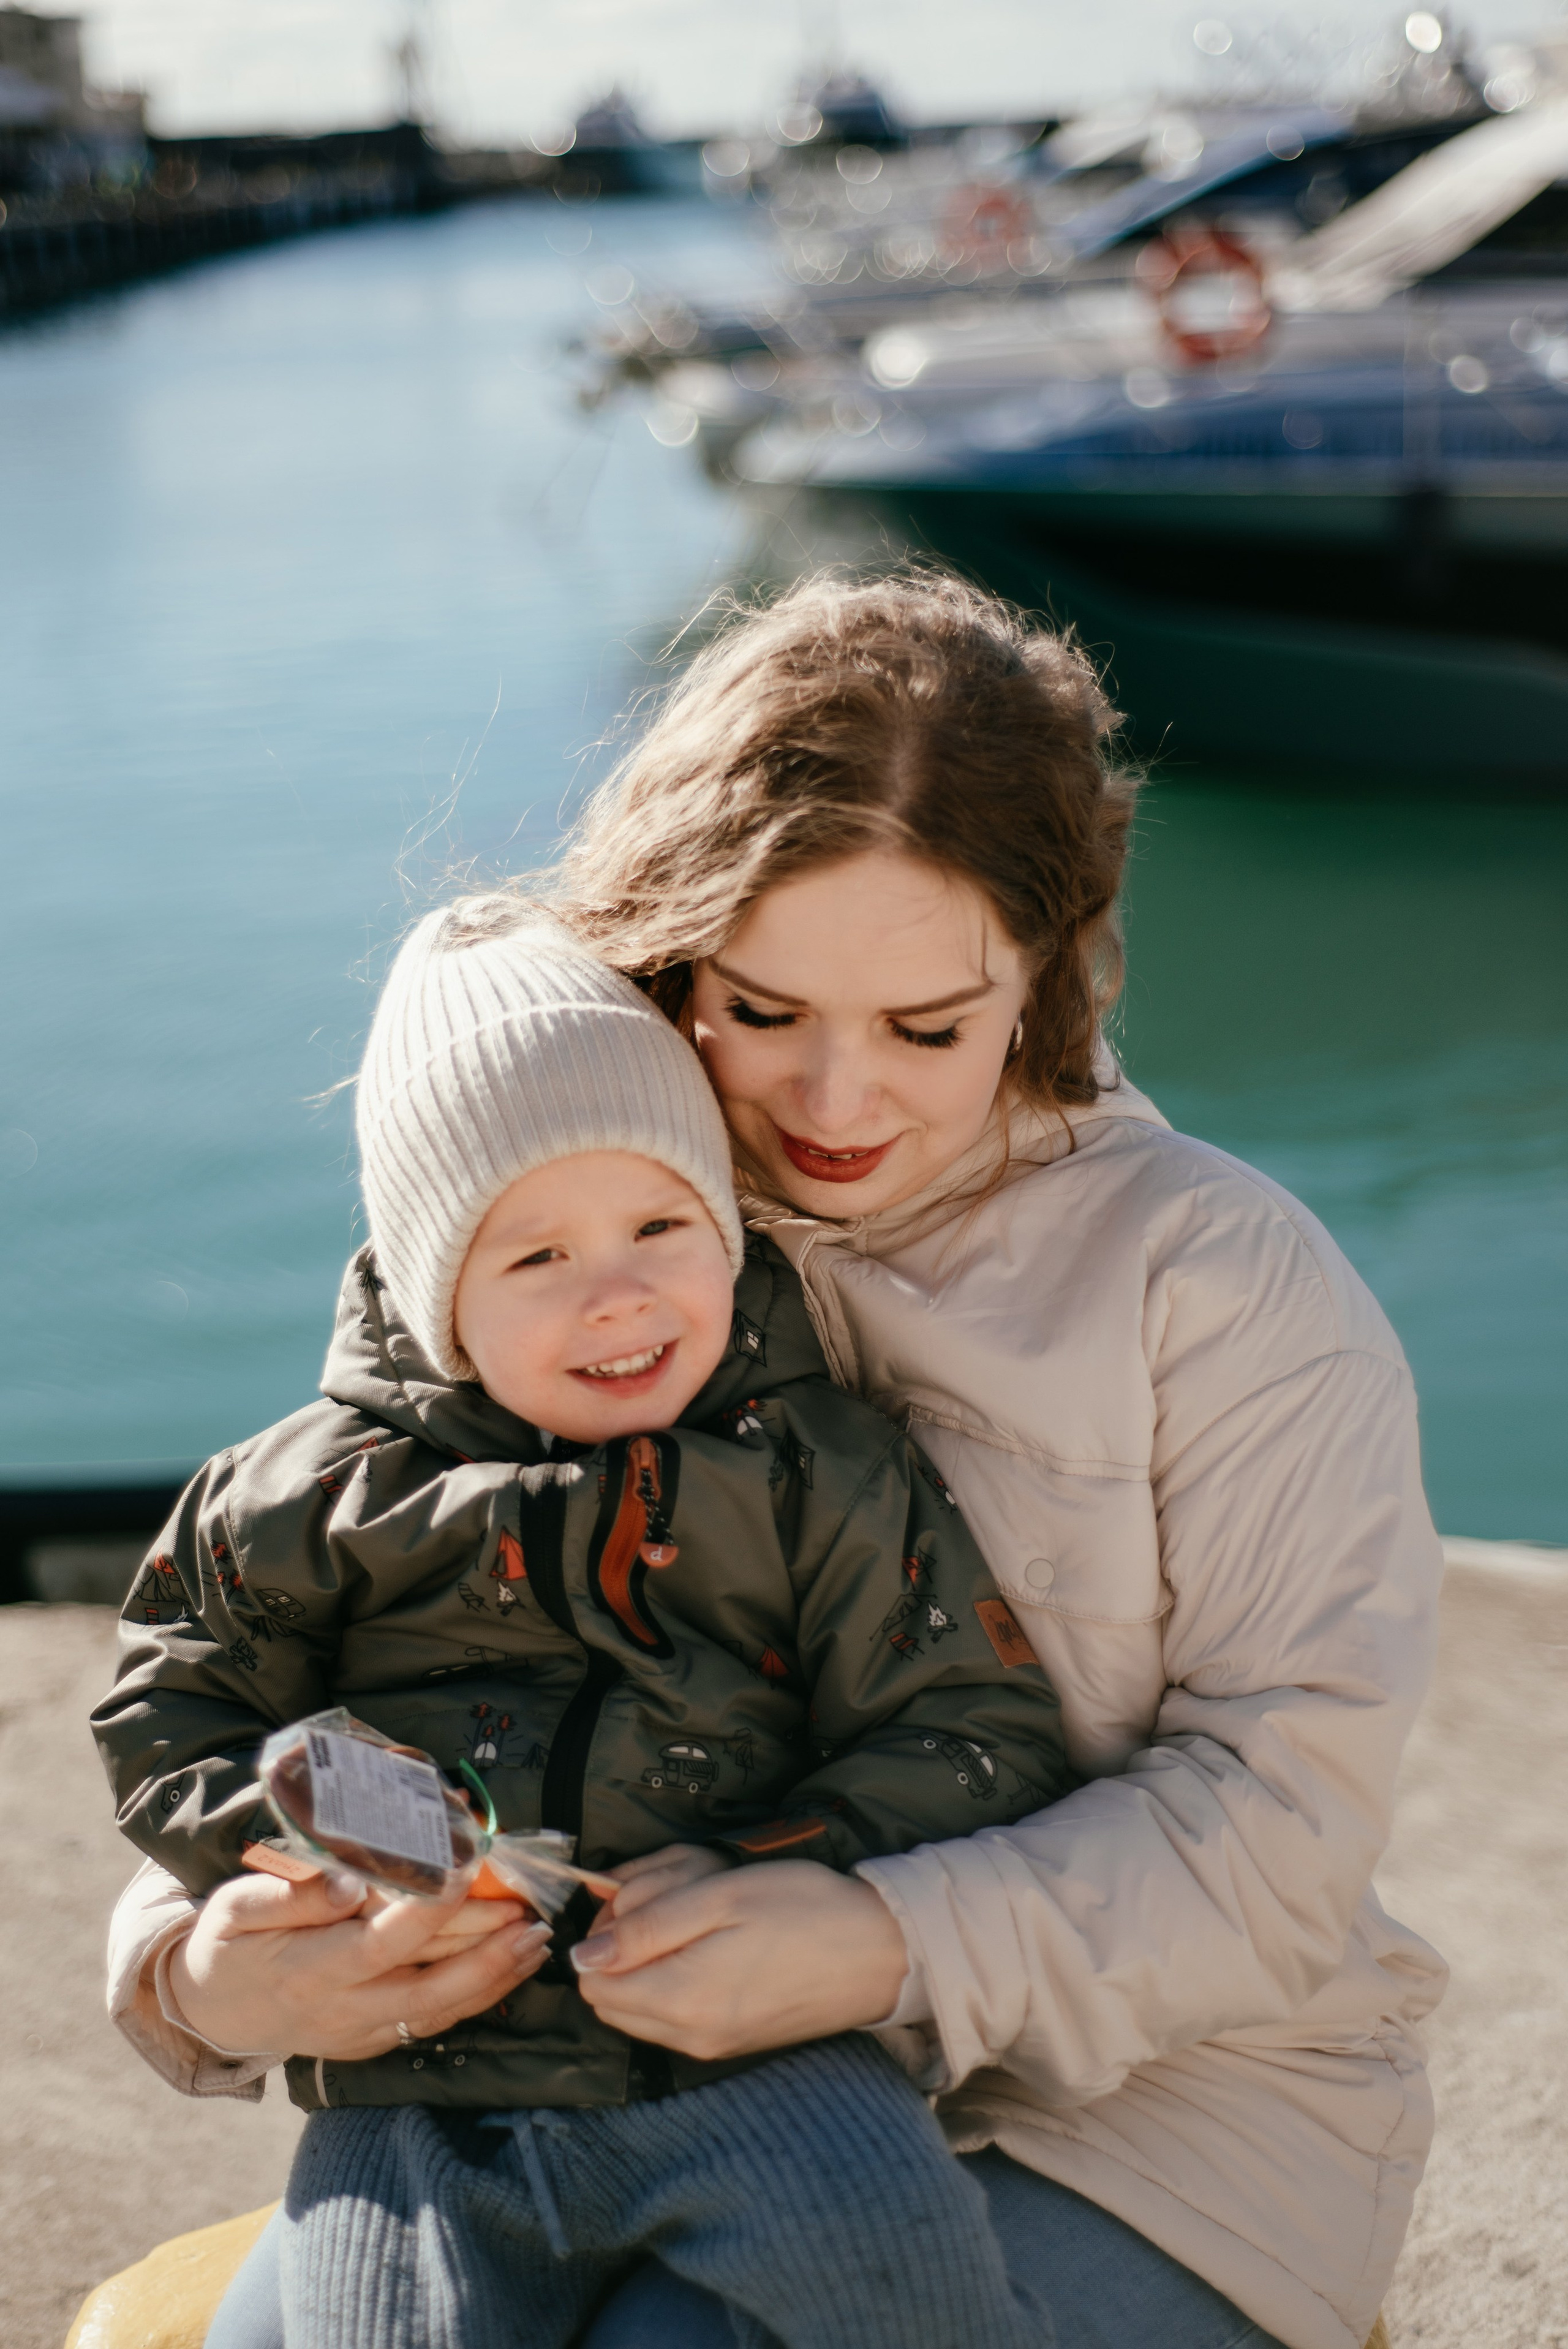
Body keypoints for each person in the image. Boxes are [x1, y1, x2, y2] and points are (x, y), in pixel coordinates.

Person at [108, 569, 1445, 2349]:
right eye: (758, 1009)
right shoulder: (578, 1194)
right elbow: (353, 1615)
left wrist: (880, 1939)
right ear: (669, 951)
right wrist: (203, 1968)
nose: (831, 1102)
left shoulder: (1221, 1282)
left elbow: (1284, 1829)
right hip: (576, 2060)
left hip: (1152, 2108)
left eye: (927, 1028)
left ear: (1046, 973)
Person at [92, 905, 1076, 2349]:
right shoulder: (303, 1496)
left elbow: (968, 1724)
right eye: (535, 1257)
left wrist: (779, 1872)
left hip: (755, 2050)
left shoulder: (817, 1470)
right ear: (437, 1295)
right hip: (423, 2082)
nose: (618, 1295)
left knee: (914, 2290)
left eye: (662, 1226)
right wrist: (326, 1834)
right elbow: (175, 1705)